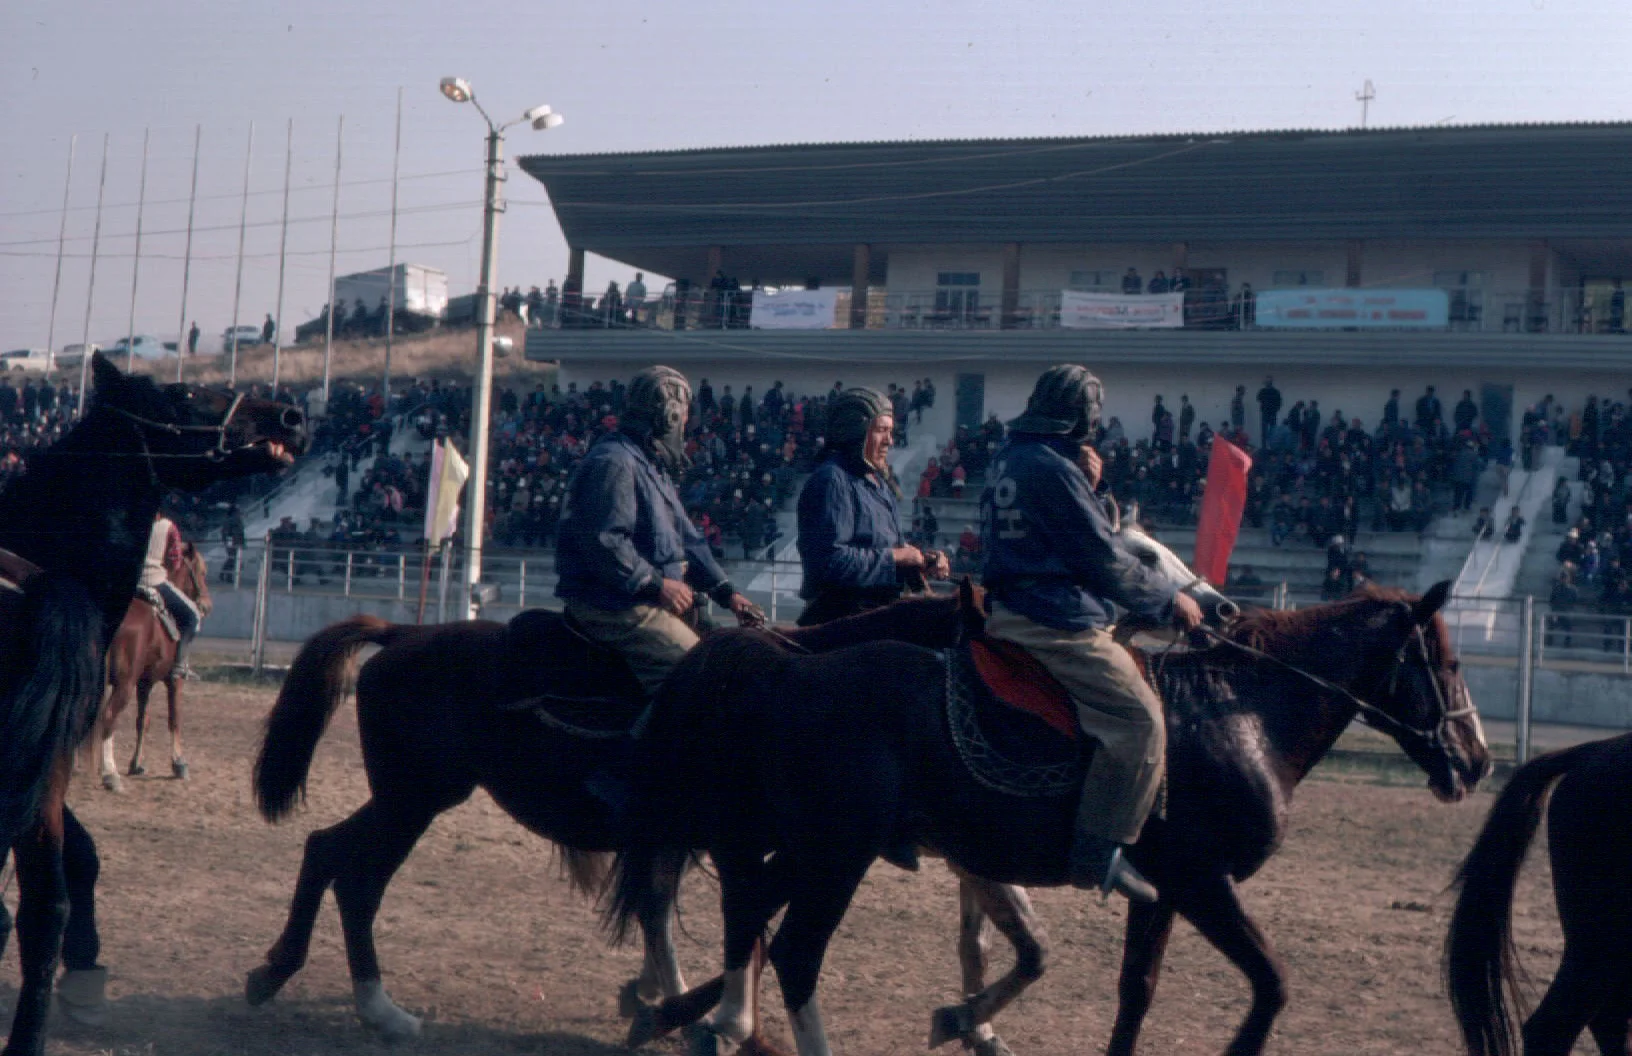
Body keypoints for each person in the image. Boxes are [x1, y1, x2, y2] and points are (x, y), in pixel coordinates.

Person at [980, 364, 1203, 902]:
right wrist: (1168, 600)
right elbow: (1102, 558)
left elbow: (1072, 532)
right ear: (1082, 417)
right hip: (1052, 620)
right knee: (1141, 721)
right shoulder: (1053, 469)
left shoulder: (1013, 456)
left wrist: (1092, 487)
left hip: (1013, 605)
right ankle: (1098, 850)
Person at [553, 366, 760, 696]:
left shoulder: (648, 465)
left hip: (643, 597)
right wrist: (656, 584)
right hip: (614, 606)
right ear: (670, 416)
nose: (686, 425)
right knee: (698, 676)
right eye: (684, 416)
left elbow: (687, 541)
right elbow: (605, 541)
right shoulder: (615, 462)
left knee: (728, 659)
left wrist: (727, 593)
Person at [795, 388, 946, 626]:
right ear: (855, 432)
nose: (889, 441)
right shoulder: (832, 481)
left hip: (879, 617)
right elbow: (829, 562)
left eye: (890, 431)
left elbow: (883, 549)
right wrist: (896, 557)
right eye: (881, 430)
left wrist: (919, 560)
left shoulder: (878, 485)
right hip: (844, 624)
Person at [142, 510, 200, 680]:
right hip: (153, 580)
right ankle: (179, 664)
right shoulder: (168, 527)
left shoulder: (132, 521)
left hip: (127, 581)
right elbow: (175, 562)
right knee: (192, 616)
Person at [1256, 376, 1282, 447]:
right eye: (1267, 381)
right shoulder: (1263, 391)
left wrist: (1275, 409)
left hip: (1272, 413)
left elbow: (1279, 402)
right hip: (1265, 413)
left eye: (1269, 381)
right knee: (1264, 432)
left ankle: (1271, 447)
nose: (1267, 383)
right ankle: (1264, 447)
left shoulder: (1275, 392)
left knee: (1272, 431)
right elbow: (1258, 398)